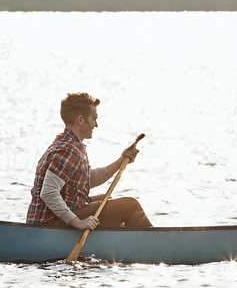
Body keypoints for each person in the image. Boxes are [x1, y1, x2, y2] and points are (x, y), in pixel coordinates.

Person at [26, 92, 152, 230]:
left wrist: (121, 161)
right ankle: (154, 243)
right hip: (48, 224)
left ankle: (122, 241)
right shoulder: (67, 150)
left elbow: (86, 179)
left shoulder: (69, 144)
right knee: (130, 205)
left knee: (106, 198)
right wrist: (79, 223)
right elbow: (49, 193)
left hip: (55, 219)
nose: (96, 125)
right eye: (94, 119)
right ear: (81, 120)